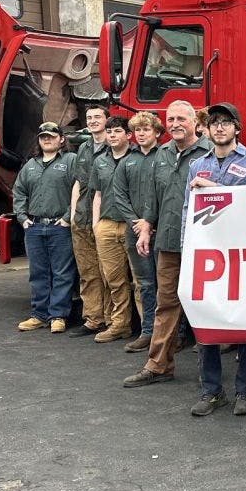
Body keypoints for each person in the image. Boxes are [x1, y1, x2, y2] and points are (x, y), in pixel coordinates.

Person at [184, 103, 246, 417]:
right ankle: (212, 391)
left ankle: (244, 392)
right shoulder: (197, 164)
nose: (219, 128)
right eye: (214, 123)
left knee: (244, 325)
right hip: (208, 255)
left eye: (226, 122)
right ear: (206, 129)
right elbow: (187, 210)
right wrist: (187, 247)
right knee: (207, 323)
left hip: (244, 253)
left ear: (236, 128)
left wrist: (212, 187)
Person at [122, 101, 211, 389]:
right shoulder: (161, 154)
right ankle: (158, 365)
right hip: (169, 242)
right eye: (170, 119)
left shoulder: (209, 153)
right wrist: (146, 226)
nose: (174, 124)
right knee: (166, 303)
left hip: (203, 245)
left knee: (206, 305)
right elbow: (153, 195)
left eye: (181, 119)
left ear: (195, 122)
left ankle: (211, 373)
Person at [11, 122, 78, 333]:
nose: (46, 139)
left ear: (61, 139)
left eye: (51, 136)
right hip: (35, 227)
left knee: (62, 272)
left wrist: (68, 217)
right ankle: (39, 315)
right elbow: (19, 192)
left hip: (60, 226)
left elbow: (80, 189)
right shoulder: (30, 165)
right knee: (38, 273)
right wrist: (22, 218)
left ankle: (58, 315)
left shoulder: (71, 161)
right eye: (42, 137)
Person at [110, 111, 162, 353]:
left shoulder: (165, 157)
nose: (141, 134)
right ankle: (148, 332)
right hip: (135, 231)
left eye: (146, 129)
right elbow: (119, 195)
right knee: (145, 284)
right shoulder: (126, 161)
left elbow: (165, 193)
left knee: (167, 284)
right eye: (137, 130)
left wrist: (149, 222)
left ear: (157, 132)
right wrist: (136, 222)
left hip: (160, 230)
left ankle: (175, 334)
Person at [89, 116, 135, 343]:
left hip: (132, 225)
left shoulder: (139, 156)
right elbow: (96, 195)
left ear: (129, 135)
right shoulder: (100, 161)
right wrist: (96, 224)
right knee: (114, 280)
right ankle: (120, 325)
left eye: (117, 131)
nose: (112, 135)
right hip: (106, 225)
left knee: (140, 280)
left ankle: (149, 329)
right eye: (110, 132)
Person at [66, 104, 110, 338]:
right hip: (82, 218)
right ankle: (94, 318)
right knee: (88, 271)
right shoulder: (83, 148)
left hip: (104, 217)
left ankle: (114, 321)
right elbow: (77, 182)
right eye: (89, 117)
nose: (93, 121)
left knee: (109, 272)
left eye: (97, 117)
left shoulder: (114, 146)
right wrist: (73, 214)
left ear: (106, 120)